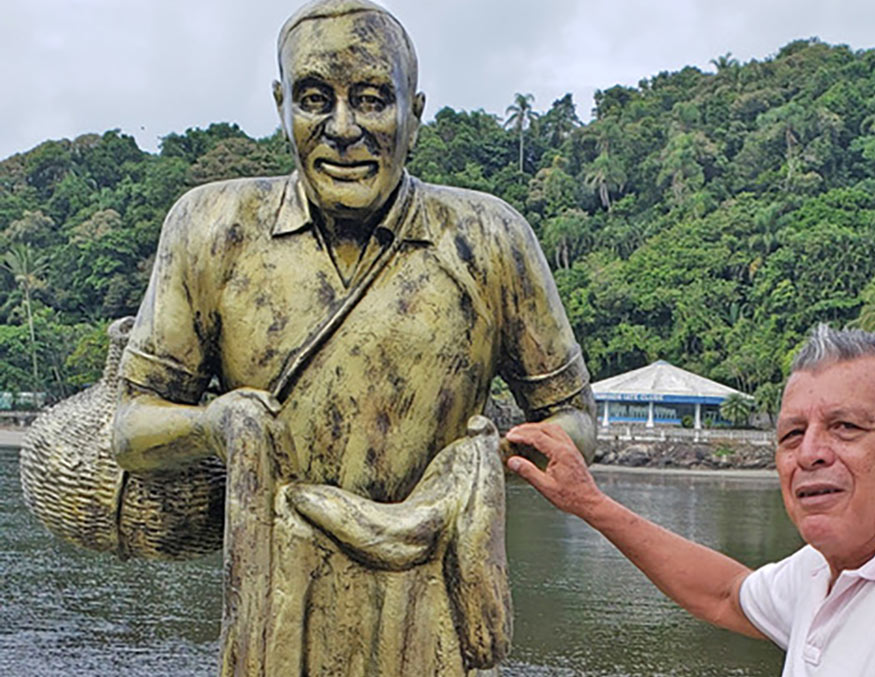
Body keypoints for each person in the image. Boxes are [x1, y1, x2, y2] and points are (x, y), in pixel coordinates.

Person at [110, 1, 594, 675]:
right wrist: (216, 425)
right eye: (314, 99)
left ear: (414, 113)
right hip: (276, 616)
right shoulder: (212, 227)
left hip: (430, 614)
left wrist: (483, 464)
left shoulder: (489, 237)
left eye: (371, 100)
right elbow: (131, 428)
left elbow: (573, 418)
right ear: (281, 106)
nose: (343, 129)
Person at [507, 325, 875, 676]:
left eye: (846, 427)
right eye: (791, 435)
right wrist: (590, 503)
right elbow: (724, 593)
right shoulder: (824, 573)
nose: (809, 453)